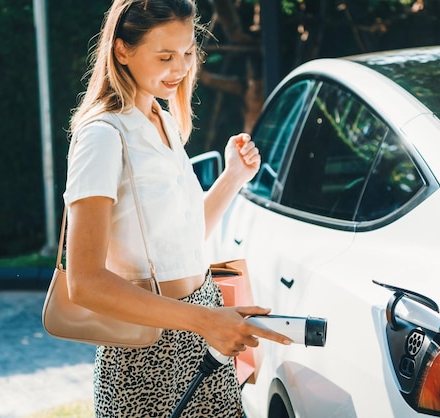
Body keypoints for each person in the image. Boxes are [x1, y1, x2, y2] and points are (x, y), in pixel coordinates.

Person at [63, 0, 291, 416]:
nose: (181, 67)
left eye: (188, 52)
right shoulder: (102, 135)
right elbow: (85, 282)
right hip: (143, 351)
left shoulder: (162, 118)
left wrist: (233, 177)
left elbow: (180, 240)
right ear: (123, 51)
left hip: (203, 327)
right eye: (165, 56)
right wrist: (203, 320)